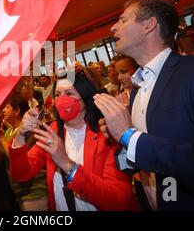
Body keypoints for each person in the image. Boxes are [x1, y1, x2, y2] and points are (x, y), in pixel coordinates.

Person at [94, 0, 194, 210]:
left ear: (149, 25)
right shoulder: (138, 89)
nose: (113, 27)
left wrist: (129, 135)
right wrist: (119, 139)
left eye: (123, 20)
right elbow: (151, 159)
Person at [9, 70, 132, 211]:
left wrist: (67, 165)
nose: (61, 100)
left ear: (85, 98)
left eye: (69, 94)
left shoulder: (107, 133)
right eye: (57, 94)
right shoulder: (54, 130)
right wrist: (20, 136)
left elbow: (119, 200)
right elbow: (22, 173)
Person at [0, 93, 48, 211]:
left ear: (16, 111)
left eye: (7, 107)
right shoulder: (8, 131)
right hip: (19, 192)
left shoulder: (27, 130)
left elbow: (19, 159)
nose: (3, 110)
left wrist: (1, 139)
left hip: (34, 191)